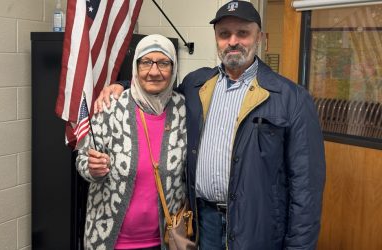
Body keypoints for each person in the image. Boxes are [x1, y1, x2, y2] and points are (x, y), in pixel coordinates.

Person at [94, 1, 326, 249]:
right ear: (216, 38)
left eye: (243, 33)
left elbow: (306, 188)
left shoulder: (291, 98)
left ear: (260, 37)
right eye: (224, 34)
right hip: (204, 223)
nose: (233, 41)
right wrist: (124, 85)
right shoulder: (196, 85)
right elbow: (160, 93)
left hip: (259, 227)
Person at [76, 34, 188, 250]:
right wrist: (92, 169)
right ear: (136, 66)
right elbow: (83, 159)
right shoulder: (110, 106)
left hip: (168, 240)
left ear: (173, 68)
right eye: (146, 62)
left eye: (163, 63)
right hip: (110, 239)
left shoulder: (184, 108)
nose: (154, 71)